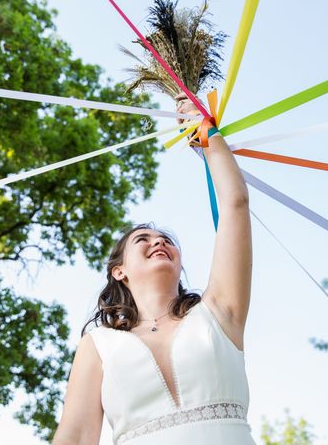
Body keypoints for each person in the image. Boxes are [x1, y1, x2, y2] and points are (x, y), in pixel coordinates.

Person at [52, 94, 254, 444]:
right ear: (119, 271)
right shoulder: (98, 344)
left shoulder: (219, 312)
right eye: (142, 239)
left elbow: (235, 203)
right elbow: (76, 435)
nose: (158, 242)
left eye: (166, 239)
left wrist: (204, 134)